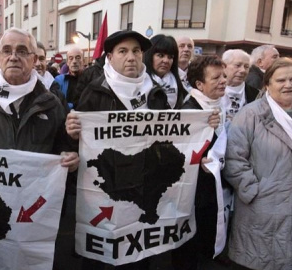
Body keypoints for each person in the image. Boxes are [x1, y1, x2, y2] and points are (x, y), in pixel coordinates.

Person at [66, 30, 221, 270]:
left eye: (137, 51)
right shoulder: (94, 93)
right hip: (109, 188)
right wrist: (73, 133)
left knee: (138, 258)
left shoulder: (155, 93)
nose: (131, 57)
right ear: (110, 56)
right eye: (123, 51)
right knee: (100, 258)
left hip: (144, 188)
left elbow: (172, 138)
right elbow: (80, 145)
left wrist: (202, 127)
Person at [0, 26, 78, 169]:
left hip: (35, 190)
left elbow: (63, 148)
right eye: (7, 51)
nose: (13, 57)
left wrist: (70, 158)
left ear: (34, 59)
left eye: (22, 51)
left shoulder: (52, 104)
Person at [223, 58, 292, 270]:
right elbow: (233, 158)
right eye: (281, 80)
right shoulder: (251, 114)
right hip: (263, 208)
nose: (289, 84)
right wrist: (254, 191)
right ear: (267, 84)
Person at [172, 55, 227, 270]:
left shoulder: (218, 106)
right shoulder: (189, 112)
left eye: (223, 75)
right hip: (192, 195)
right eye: (216, 78)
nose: (223, 80)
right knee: (188, 249)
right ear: (199, 85)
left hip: (209, 191)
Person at [144, 34, 188, 109]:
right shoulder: (140, 83)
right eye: (160, 55)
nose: (166, 61)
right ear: (150, 55)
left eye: (170, 57)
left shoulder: (179, 85)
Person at [221, 49, 260, 121]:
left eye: (246, 67)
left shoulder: (257, 95)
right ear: (224, 66)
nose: (243, 70)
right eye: (238, 65)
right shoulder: (211, 90)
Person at [34, 41, 68, 112]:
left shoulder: (56, 89)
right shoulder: (18, 90)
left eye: (41, 58)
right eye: (34, 59)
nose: (38, 64)